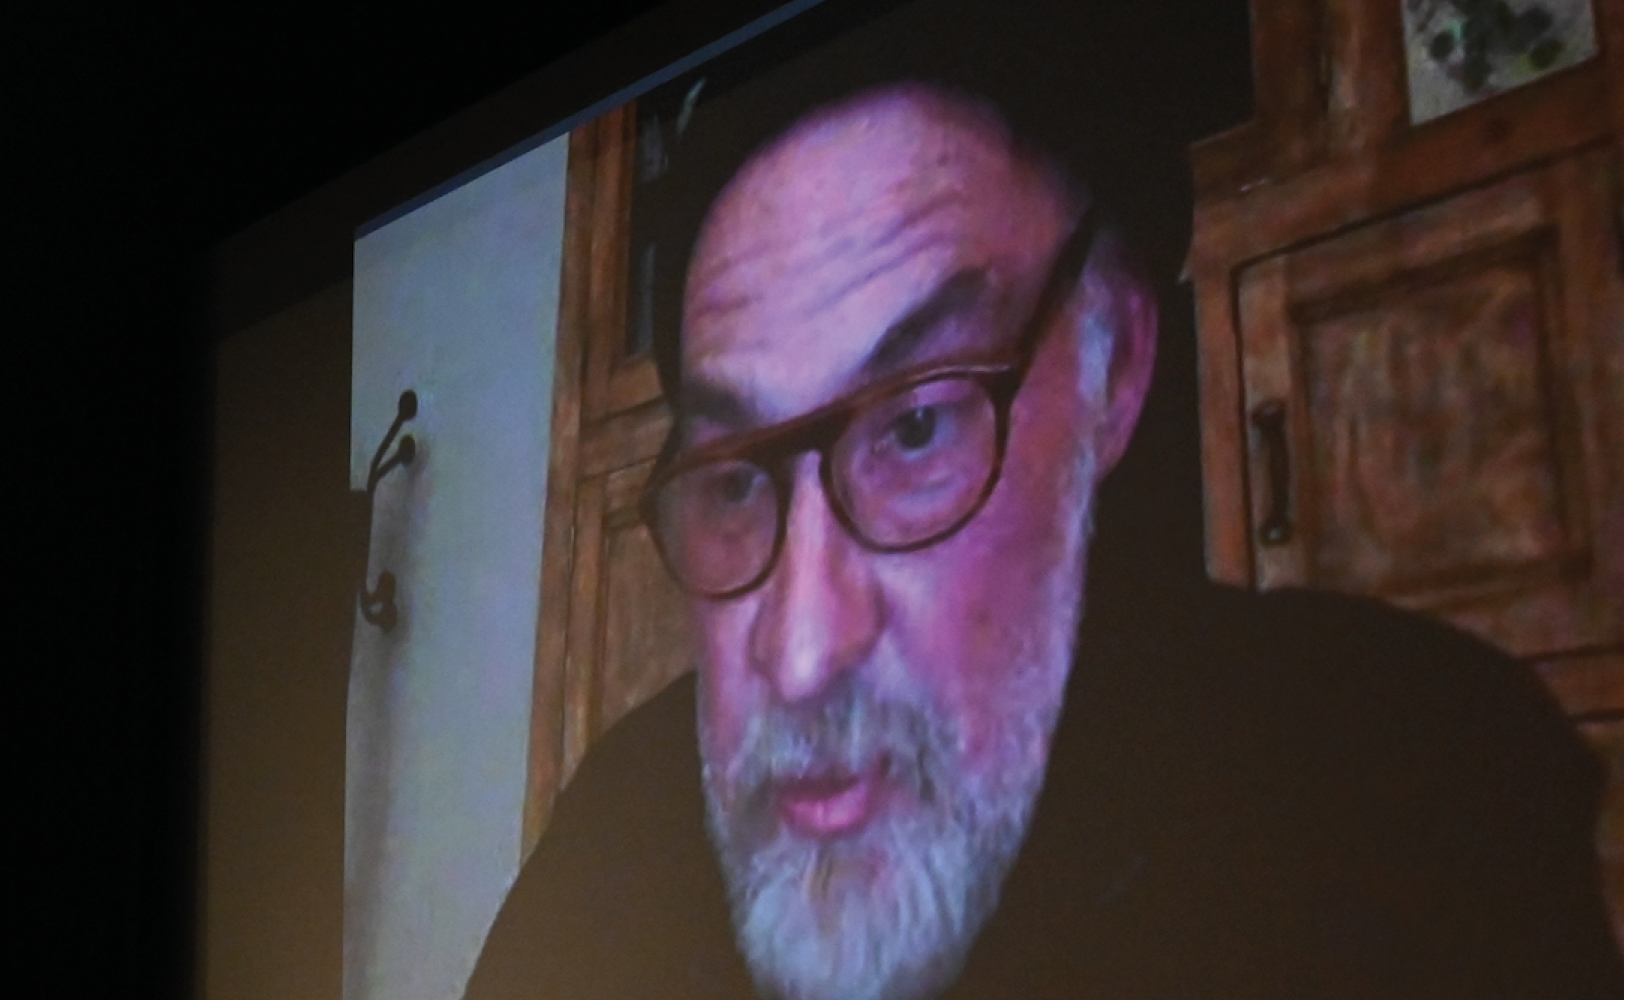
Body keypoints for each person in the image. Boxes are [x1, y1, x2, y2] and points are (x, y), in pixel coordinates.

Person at [463, 83, 1618, 1000]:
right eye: (730, 481)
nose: (801, 652)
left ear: (1115, 366)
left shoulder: (1418, 787)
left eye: (915, 428)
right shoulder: (612, 844)